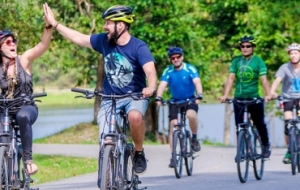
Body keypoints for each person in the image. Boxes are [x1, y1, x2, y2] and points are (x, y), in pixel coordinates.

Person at [43, 4, 157, 175]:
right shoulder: (104, 41)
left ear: (121, 25)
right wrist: (55, 23)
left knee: (134, 116)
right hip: (110, 98)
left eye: (108, 23)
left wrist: (151, 87)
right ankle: (108, 174)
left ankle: (138, 153)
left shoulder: (139, 47)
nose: (105, 27)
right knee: (105, 140)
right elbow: (79, 38)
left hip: (134, 96)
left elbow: (151, 71)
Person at [0, 4, 52, 175]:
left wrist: (48, 25)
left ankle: (28, 160)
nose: (13, 43)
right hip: (4, 108)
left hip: (25, 106)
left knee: (22, 116)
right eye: (8, 42)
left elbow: (43, 45)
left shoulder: (24, 60)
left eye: (14, 41)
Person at [219, 35, 272, 159]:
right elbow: (231, 78)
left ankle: (265, 145)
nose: (245, 48)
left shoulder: (258, 61)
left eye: (248, 46)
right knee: (239, 126)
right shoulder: (236, 61)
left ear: (253, 47)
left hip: (254, 98)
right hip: (239, 98)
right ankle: (241, 150)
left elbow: (263, 80)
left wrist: (268, 94)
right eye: (242, 46)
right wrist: (226, 95)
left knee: (259, 123)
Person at [155, 46, 202, 168]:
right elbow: (162, 85)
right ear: (170, 59)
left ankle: (194, 138)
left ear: (182, 57)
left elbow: (197, 82)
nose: (175, 59)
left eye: (178, 57)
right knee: (173, 125)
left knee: (191, 115)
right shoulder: (168, 71)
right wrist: (158, 97)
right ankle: (173, 156)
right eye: (173, 58)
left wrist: (199, 95)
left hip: (190, 100)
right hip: (175, 101)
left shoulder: (190, 68)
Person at [270, 43, 300, 164]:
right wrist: (272, 92)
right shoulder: (284, 67)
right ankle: (289, 149)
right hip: (287, 99)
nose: (293, 56)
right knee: (288, 124)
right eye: (291, 53)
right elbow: (277, 80)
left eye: (296, 53)